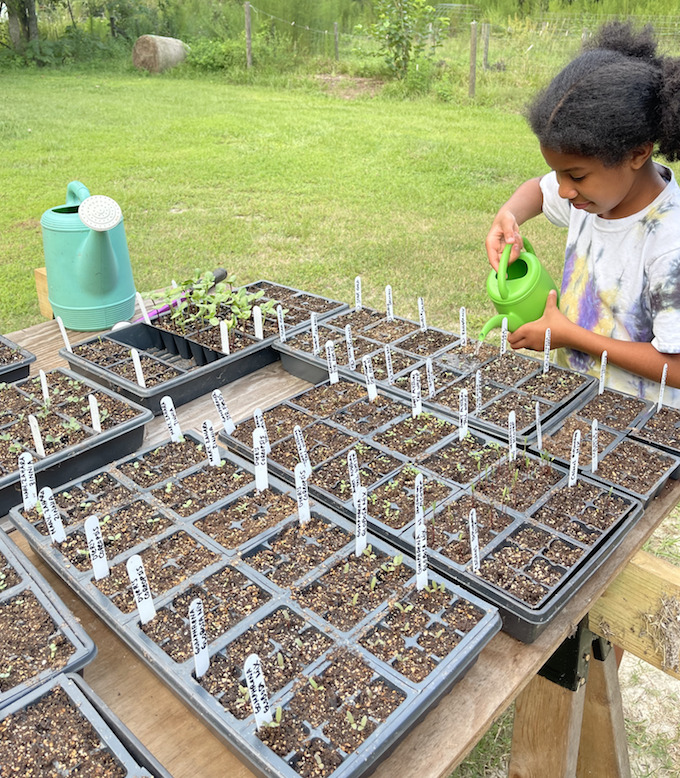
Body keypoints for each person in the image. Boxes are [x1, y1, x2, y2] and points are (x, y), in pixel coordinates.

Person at [485, 21, 680, 406]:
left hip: (642, 431)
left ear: (637, 153)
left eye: (574, 175)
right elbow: (536, 193)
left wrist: (571, 336)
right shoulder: (594, 197)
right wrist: (507, 216)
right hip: (578, 404)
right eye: (558, 172)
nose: (562, 189)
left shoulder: (669, 247)